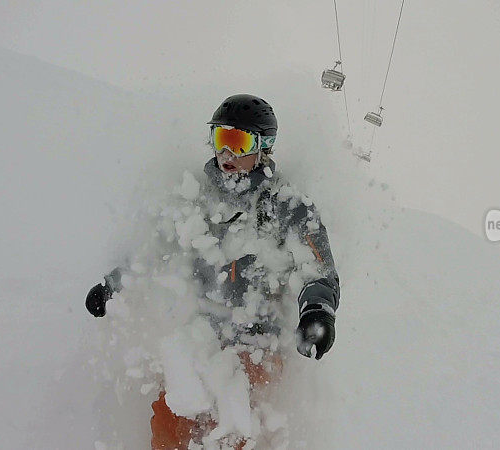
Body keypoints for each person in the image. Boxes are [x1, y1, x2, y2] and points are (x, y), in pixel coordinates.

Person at [84, 94, 340, 449]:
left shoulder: (287, 206)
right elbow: (155, 248)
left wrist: (317, 311)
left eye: (239, 142)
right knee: (172, 415)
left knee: (234, 426)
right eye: (221, 139)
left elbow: (316, 268)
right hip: (201, 334)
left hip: (257, 342)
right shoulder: (197, 198)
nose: (227, 154)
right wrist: (112, 284)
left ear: (264, 146)